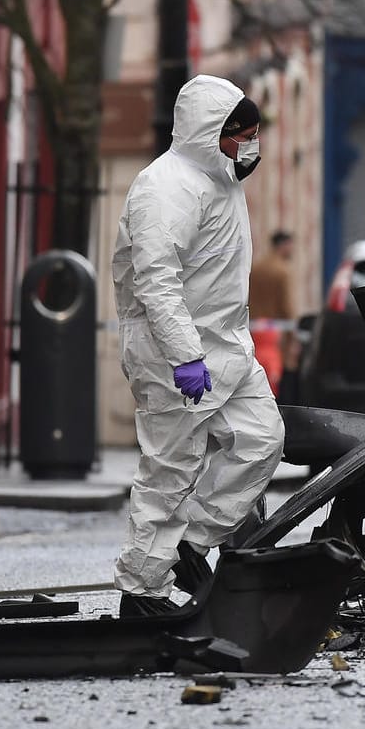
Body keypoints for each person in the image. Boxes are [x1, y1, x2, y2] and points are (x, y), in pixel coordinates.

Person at [110, 75, 285, 617]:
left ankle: (190, 543)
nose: (252, 145)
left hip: (228, 347)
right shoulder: (165, 188)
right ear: (214, 133)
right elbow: (156, 282)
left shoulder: (222, 180)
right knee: (169, 470)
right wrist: (184, 355)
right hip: (176, 356)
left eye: (256, 133)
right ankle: (140, 592)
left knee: (262, 441)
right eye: (244, 134)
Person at [248, 231, 298, 393]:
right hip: (275, 334)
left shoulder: (256, 267)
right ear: (283, 246)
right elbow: (286, 306)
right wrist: (293, 335)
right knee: (277, 378)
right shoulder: (281, 271)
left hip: (253, 329)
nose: (292, 250)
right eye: (290, 245)